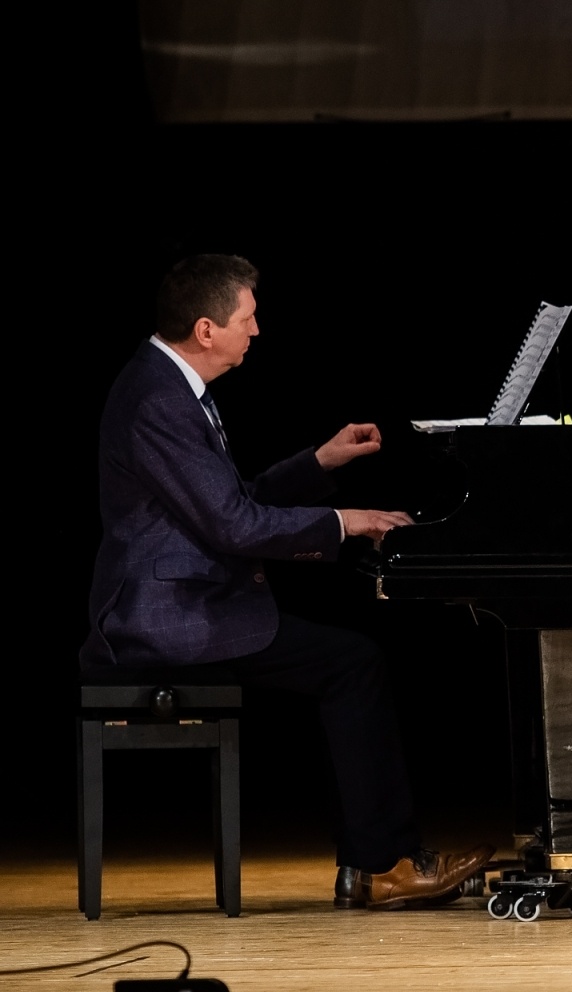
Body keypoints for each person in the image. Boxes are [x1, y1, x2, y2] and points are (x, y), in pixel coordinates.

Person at [80, 253, 493, 910]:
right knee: (352, 664)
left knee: (349, 661)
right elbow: (234, 525)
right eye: (247, 318)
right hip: (164, 619)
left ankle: (373, 862)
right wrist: (345, 521)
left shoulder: (166, 384)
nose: (257, 329)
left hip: (184, 603)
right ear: (207, 329)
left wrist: (320, 462)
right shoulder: (159, 400)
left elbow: (231, 502)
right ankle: (380, 865)